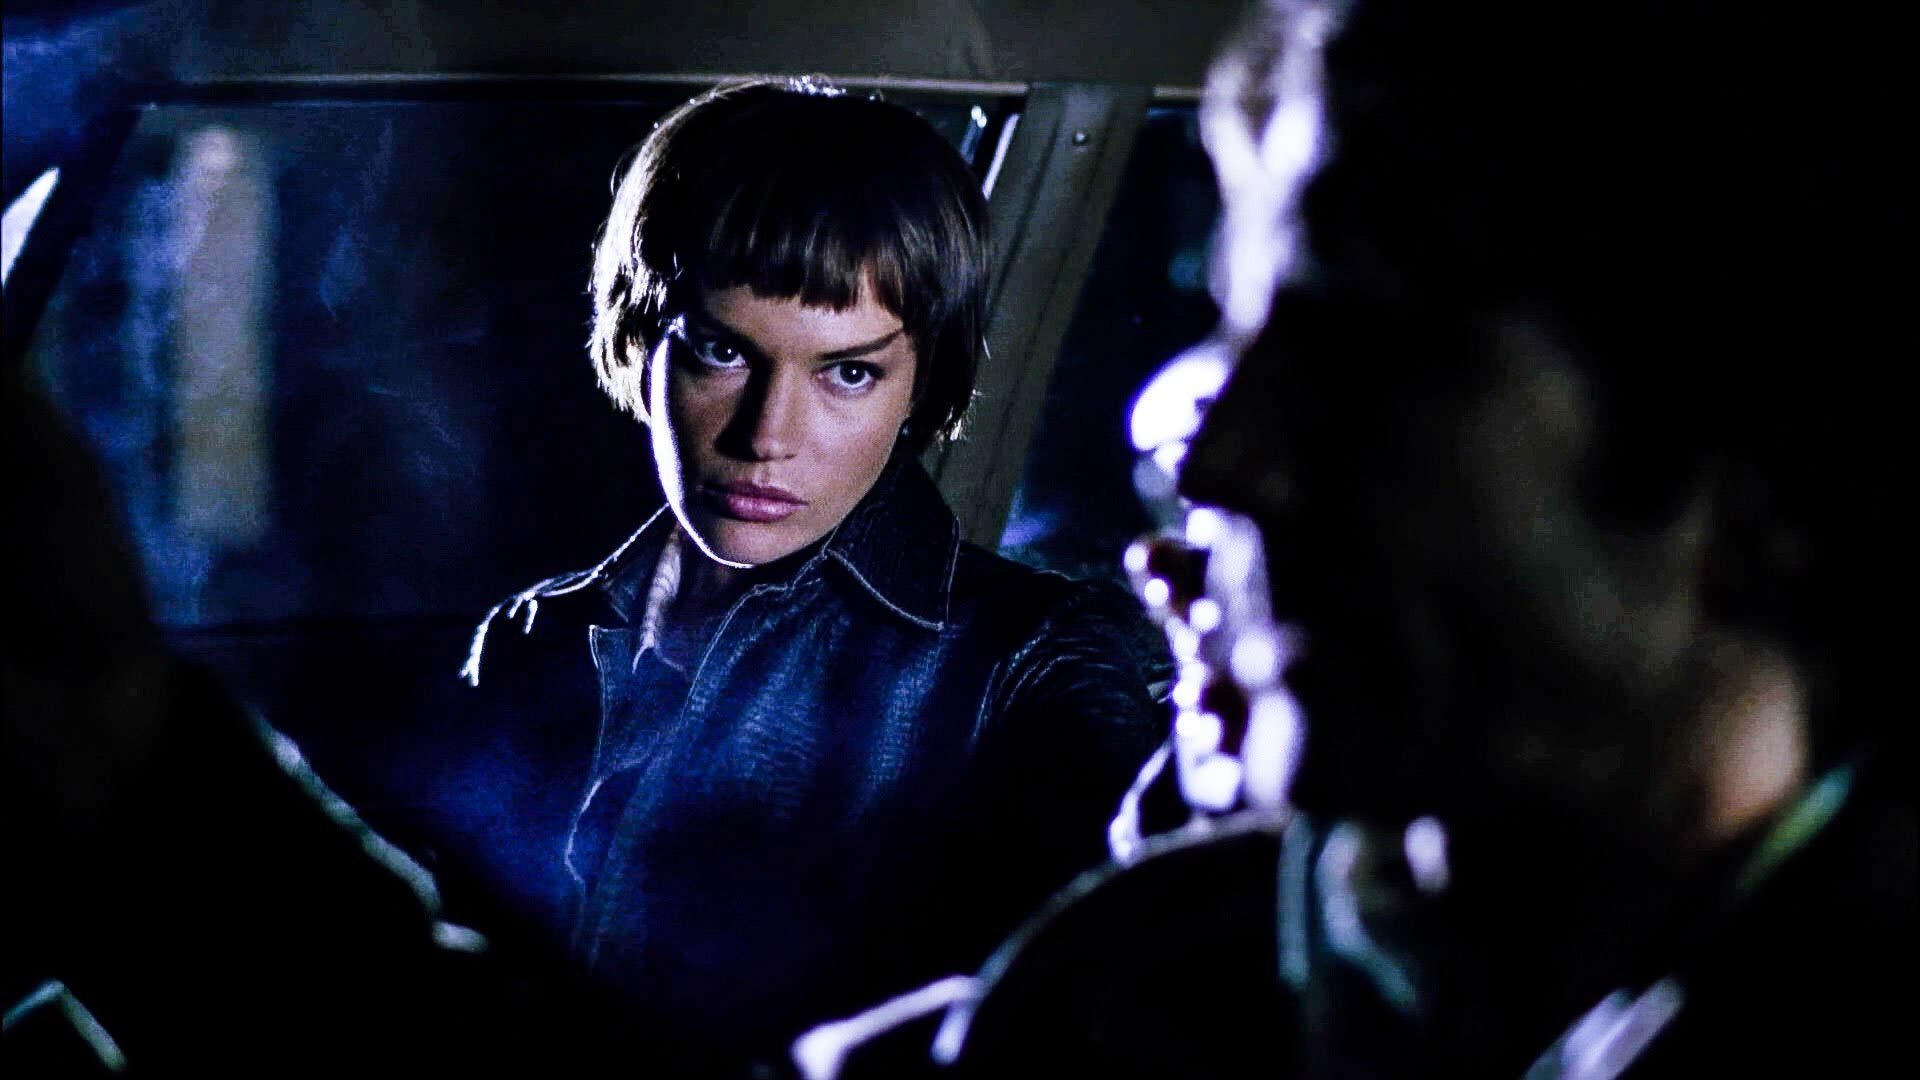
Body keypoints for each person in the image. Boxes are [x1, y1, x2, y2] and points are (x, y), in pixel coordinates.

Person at [813, 1, 1913, 1076]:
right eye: (1242, 334)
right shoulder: (1153, 980)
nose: (1216, 462)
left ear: (1761, 471)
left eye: (1360, 351)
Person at [459, 78, 1169, 1073]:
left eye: (848, 373)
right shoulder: (535, 634)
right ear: (643, 342)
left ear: (923, 385)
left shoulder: (1033, 662)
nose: (767, 436)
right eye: (722, 352)